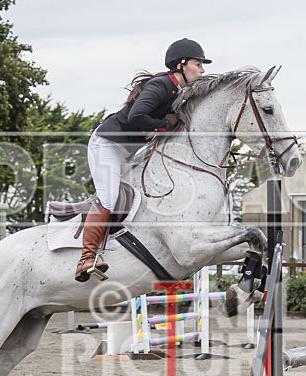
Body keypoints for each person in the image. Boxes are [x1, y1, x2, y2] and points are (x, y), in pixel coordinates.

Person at [75, 38, 210, 282]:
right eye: (198, 63)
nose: (202, 69)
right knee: (109, 196)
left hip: (128, 150)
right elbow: (136, 117)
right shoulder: (160, 86)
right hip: (107, 145)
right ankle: (86, 257)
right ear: (181, 65)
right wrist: (163, 124)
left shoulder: (179, 92)